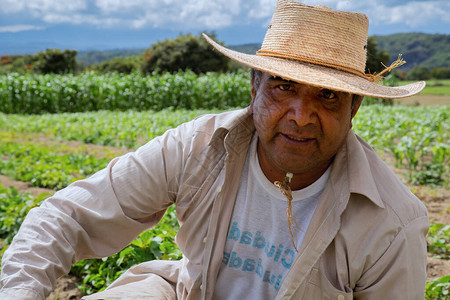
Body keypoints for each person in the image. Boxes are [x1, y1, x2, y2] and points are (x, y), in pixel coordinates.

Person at [0, 0, 429, 299]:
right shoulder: (197, 147)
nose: (301, 115)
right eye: (283, 87)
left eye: (328, 97)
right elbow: (65, 216)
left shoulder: (392, 223)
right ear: (254, 87)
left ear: (355, 107)